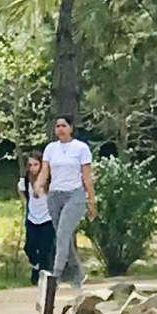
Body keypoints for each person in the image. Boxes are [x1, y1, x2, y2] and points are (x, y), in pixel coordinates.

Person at [35, 115, 97, 294]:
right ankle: (78, 272)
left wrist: (91, 200)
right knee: (63, 236)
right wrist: (38, 185)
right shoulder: (51, 149)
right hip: (55, 195)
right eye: (58, 126)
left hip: (74, 195)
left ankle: (56, 274)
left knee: (62, 234)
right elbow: (45, 171)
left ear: (70, 128)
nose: (60, 129)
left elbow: (87, 176)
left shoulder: (80, 148)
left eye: (64, 126)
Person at [18, 152, 54, 285]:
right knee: (29, 247)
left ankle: (42, 280)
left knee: (45, 249)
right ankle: (35, 266)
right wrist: (26, 202)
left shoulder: (49, 180)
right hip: (33, 218)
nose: (33, 168)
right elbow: (21, 190)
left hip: (47, 218)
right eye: (30, 165)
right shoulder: (26, 181)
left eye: (36, 164)